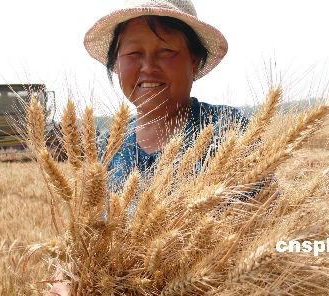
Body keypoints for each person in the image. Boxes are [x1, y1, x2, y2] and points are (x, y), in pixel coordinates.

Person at [47, 0, 248, 294]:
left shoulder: (226, 128)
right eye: (133, 53)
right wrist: (66, 282)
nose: (148, 66)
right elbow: (86, 239)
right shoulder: (107, 146)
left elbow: (258, 226)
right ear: (116, 64)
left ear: (194, 60)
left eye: (166, 51)